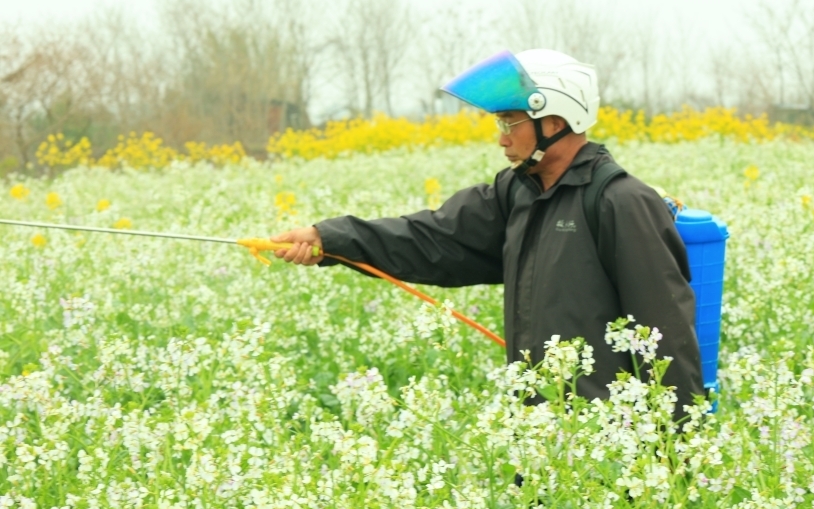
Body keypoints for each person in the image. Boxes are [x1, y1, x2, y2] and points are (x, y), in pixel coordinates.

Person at [271, 49, 703, 419]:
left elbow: (667, 333)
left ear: (554, 122)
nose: (501, 138)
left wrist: (674, 457)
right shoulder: (515, 193)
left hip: (607, 441)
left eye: (510, 122)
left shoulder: (619, 201)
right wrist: (330, 240)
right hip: (537, 436)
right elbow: (430, 239)